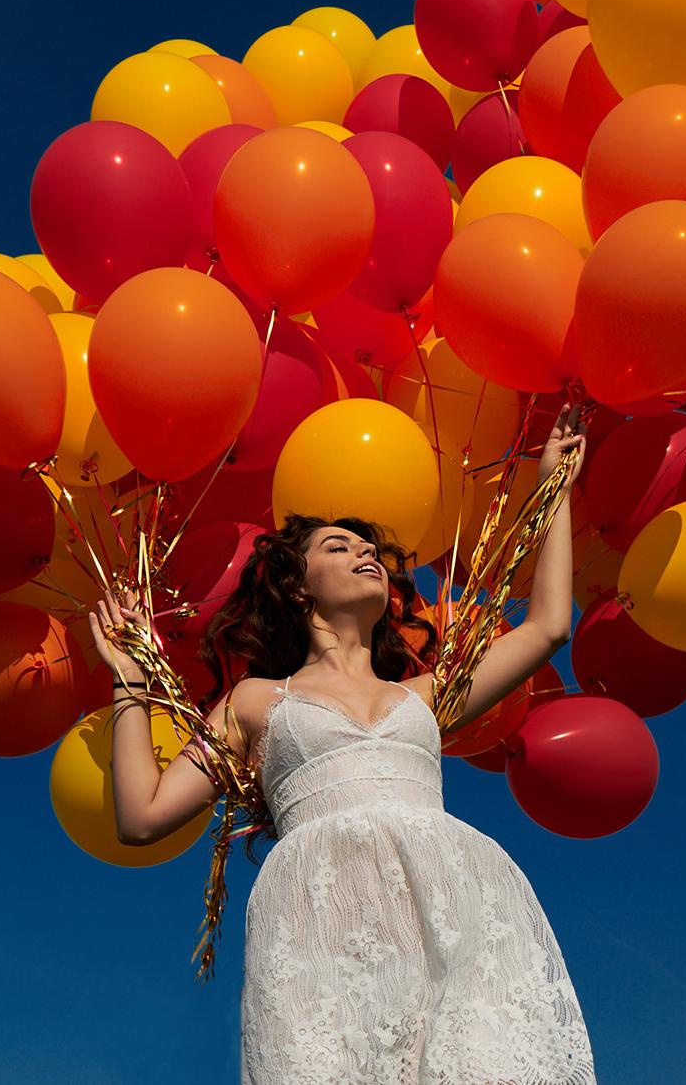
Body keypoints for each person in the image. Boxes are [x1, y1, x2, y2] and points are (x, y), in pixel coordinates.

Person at [90, 404, 598, 1084]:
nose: (365, 554)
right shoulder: (255, 702)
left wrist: (555, 490)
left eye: (369, 550)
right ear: (298, 589)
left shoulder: (424, 695)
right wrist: (130, 683)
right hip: (322, 922)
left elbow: (545, 630)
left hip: (453, 900)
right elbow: (141, 817)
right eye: (339, 547)